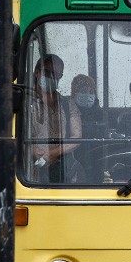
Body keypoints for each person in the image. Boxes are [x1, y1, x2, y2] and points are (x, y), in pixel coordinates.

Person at [30, 54, 82, 183]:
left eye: (57, 75)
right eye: (48, 73)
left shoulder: (67, 103)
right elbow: (17, 136)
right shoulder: (26, 102)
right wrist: (35, 151)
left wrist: (53, 153)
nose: (52, 77)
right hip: (32, 172)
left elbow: (77, 137)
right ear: (37, 72)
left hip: (65, 169)